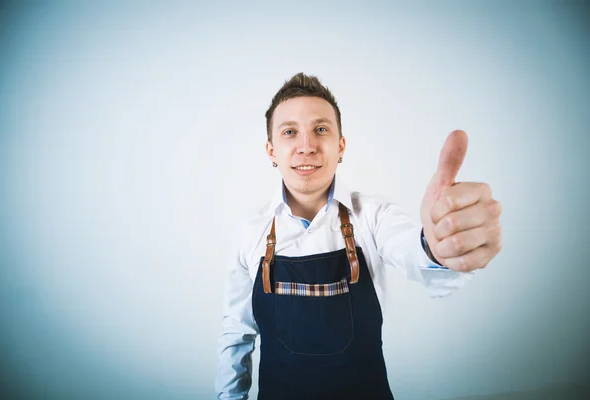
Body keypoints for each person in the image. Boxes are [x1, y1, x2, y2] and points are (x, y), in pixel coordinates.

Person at [215, 73, 502, 399]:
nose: (306, 146)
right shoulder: (251, 231)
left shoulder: (374, 216)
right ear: (271, 151)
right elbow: (236, 334)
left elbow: (415, 250)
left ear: (341, 146)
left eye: (320, 130)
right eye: (290, 132)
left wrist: (439, 246)